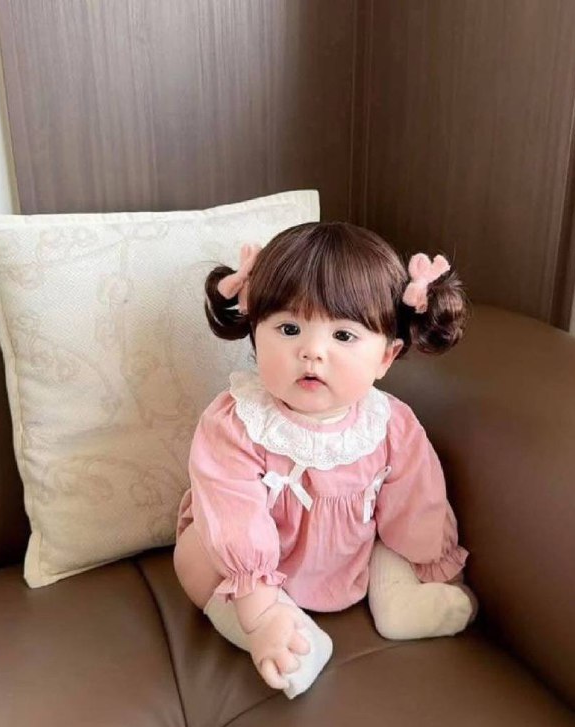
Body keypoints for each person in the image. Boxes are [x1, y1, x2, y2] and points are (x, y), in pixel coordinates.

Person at [173, 221, 476, 699]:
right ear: (254, 334)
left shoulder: (389, 424)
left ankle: (399, 600)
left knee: (402, 530)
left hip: (353, 553)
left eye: (344, 335)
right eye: (289, 329)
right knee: (195, 556)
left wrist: (438, 570)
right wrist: (261, 612)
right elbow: (232, 515)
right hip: (255, 570)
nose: (312, 351)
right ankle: (285, 638)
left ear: (387, 356)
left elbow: (419, 505)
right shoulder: (235, 422)